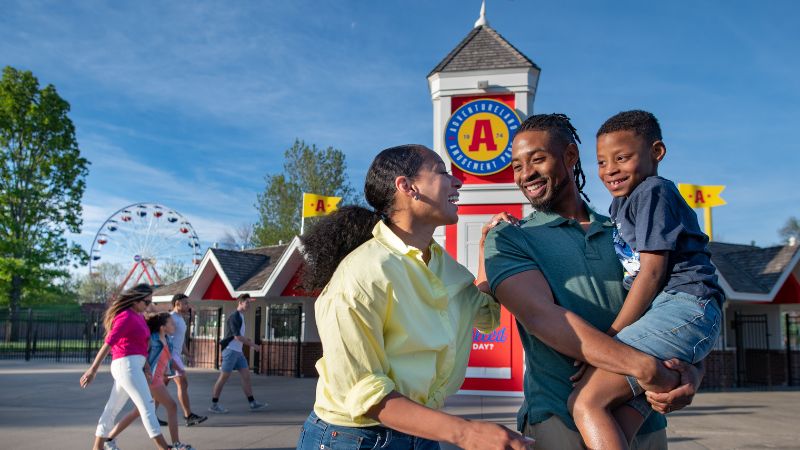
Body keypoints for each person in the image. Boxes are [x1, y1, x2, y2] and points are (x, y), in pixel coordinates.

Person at [483, 114, 706, 450]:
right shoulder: (510, 237)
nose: (526, 174)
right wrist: (648, 369)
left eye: (538, 159)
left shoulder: (625, 232)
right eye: (517, 166)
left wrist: (692, 373)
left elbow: (684, 301)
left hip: (645, 420)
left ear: (570, 156)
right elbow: (544, 318)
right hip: (560, 421)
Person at [296, 144, 534, 450]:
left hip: (423, 431)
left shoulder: (443, 265)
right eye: (442, 172)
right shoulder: (360, 274)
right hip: (354, 438)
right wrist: (467, 433)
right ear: (407, 187)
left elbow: (484, 315)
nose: (458, 182)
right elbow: (366, 395)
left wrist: (488, 247)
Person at [566, 110, 723, 449]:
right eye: (602, 162)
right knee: (614, 413)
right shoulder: (618, 206)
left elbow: (652, 271)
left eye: (622, 158)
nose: (610, 170)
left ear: (656, 152)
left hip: (685, 305)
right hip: (675, 311)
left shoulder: (652, 191)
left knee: (585, 402)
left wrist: (612, 336)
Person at [80, 284, 171, 450]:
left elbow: (142, 346)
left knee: (112, 408)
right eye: (146, 301)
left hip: (133, 366)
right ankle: (165, 448)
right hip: (125, 365)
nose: (148, 305)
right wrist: (93, 369)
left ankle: (97, 447)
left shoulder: (139, 317)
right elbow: (108, 343)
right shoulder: (125, 316)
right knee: (147, 405)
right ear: (135, 300)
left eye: (150, 301)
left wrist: (146, 367)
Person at [104, 312, 195, 450]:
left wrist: (179, 371)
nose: (174, 325)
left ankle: (109, 439)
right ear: (162, 327)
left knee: (137, 412)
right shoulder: (152, 340)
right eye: (171, 323)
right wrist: (145, 371)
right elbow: (141, 355)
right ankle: (176, 444)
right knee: (172, 406)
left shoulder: (168, 340)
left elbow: (169, 360)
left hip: (157, 379)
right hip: (150, 380)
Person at [209, 293, 267, 413]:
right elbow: (237, 337)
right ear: (240, 302)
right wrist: (253, 345)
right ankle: (214, 405)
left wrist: (248, 342)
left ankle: (252, 403)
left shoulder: (241, 316)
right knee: (223, 377)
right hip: (230, 351)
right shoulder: (234, 316)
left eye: (249, 303)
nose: (249, 305)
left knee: (246, 377)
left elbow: (240, 337)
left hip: (238, 352)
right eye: (247, 303)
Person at [162, 294, 207, 427]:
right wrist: (167, 357)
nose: (188, 306)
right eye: (185, 303)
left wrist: (188, 355)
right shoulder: (171, 318)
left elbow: (180, 341)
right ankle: (188, 416)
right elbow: (163, 337)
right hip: (170, 356)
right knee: (182, 383)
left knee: (161, 387)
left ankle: (150, 414)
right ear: (177, 303)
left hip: (175, 355)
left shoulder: (181, 319)